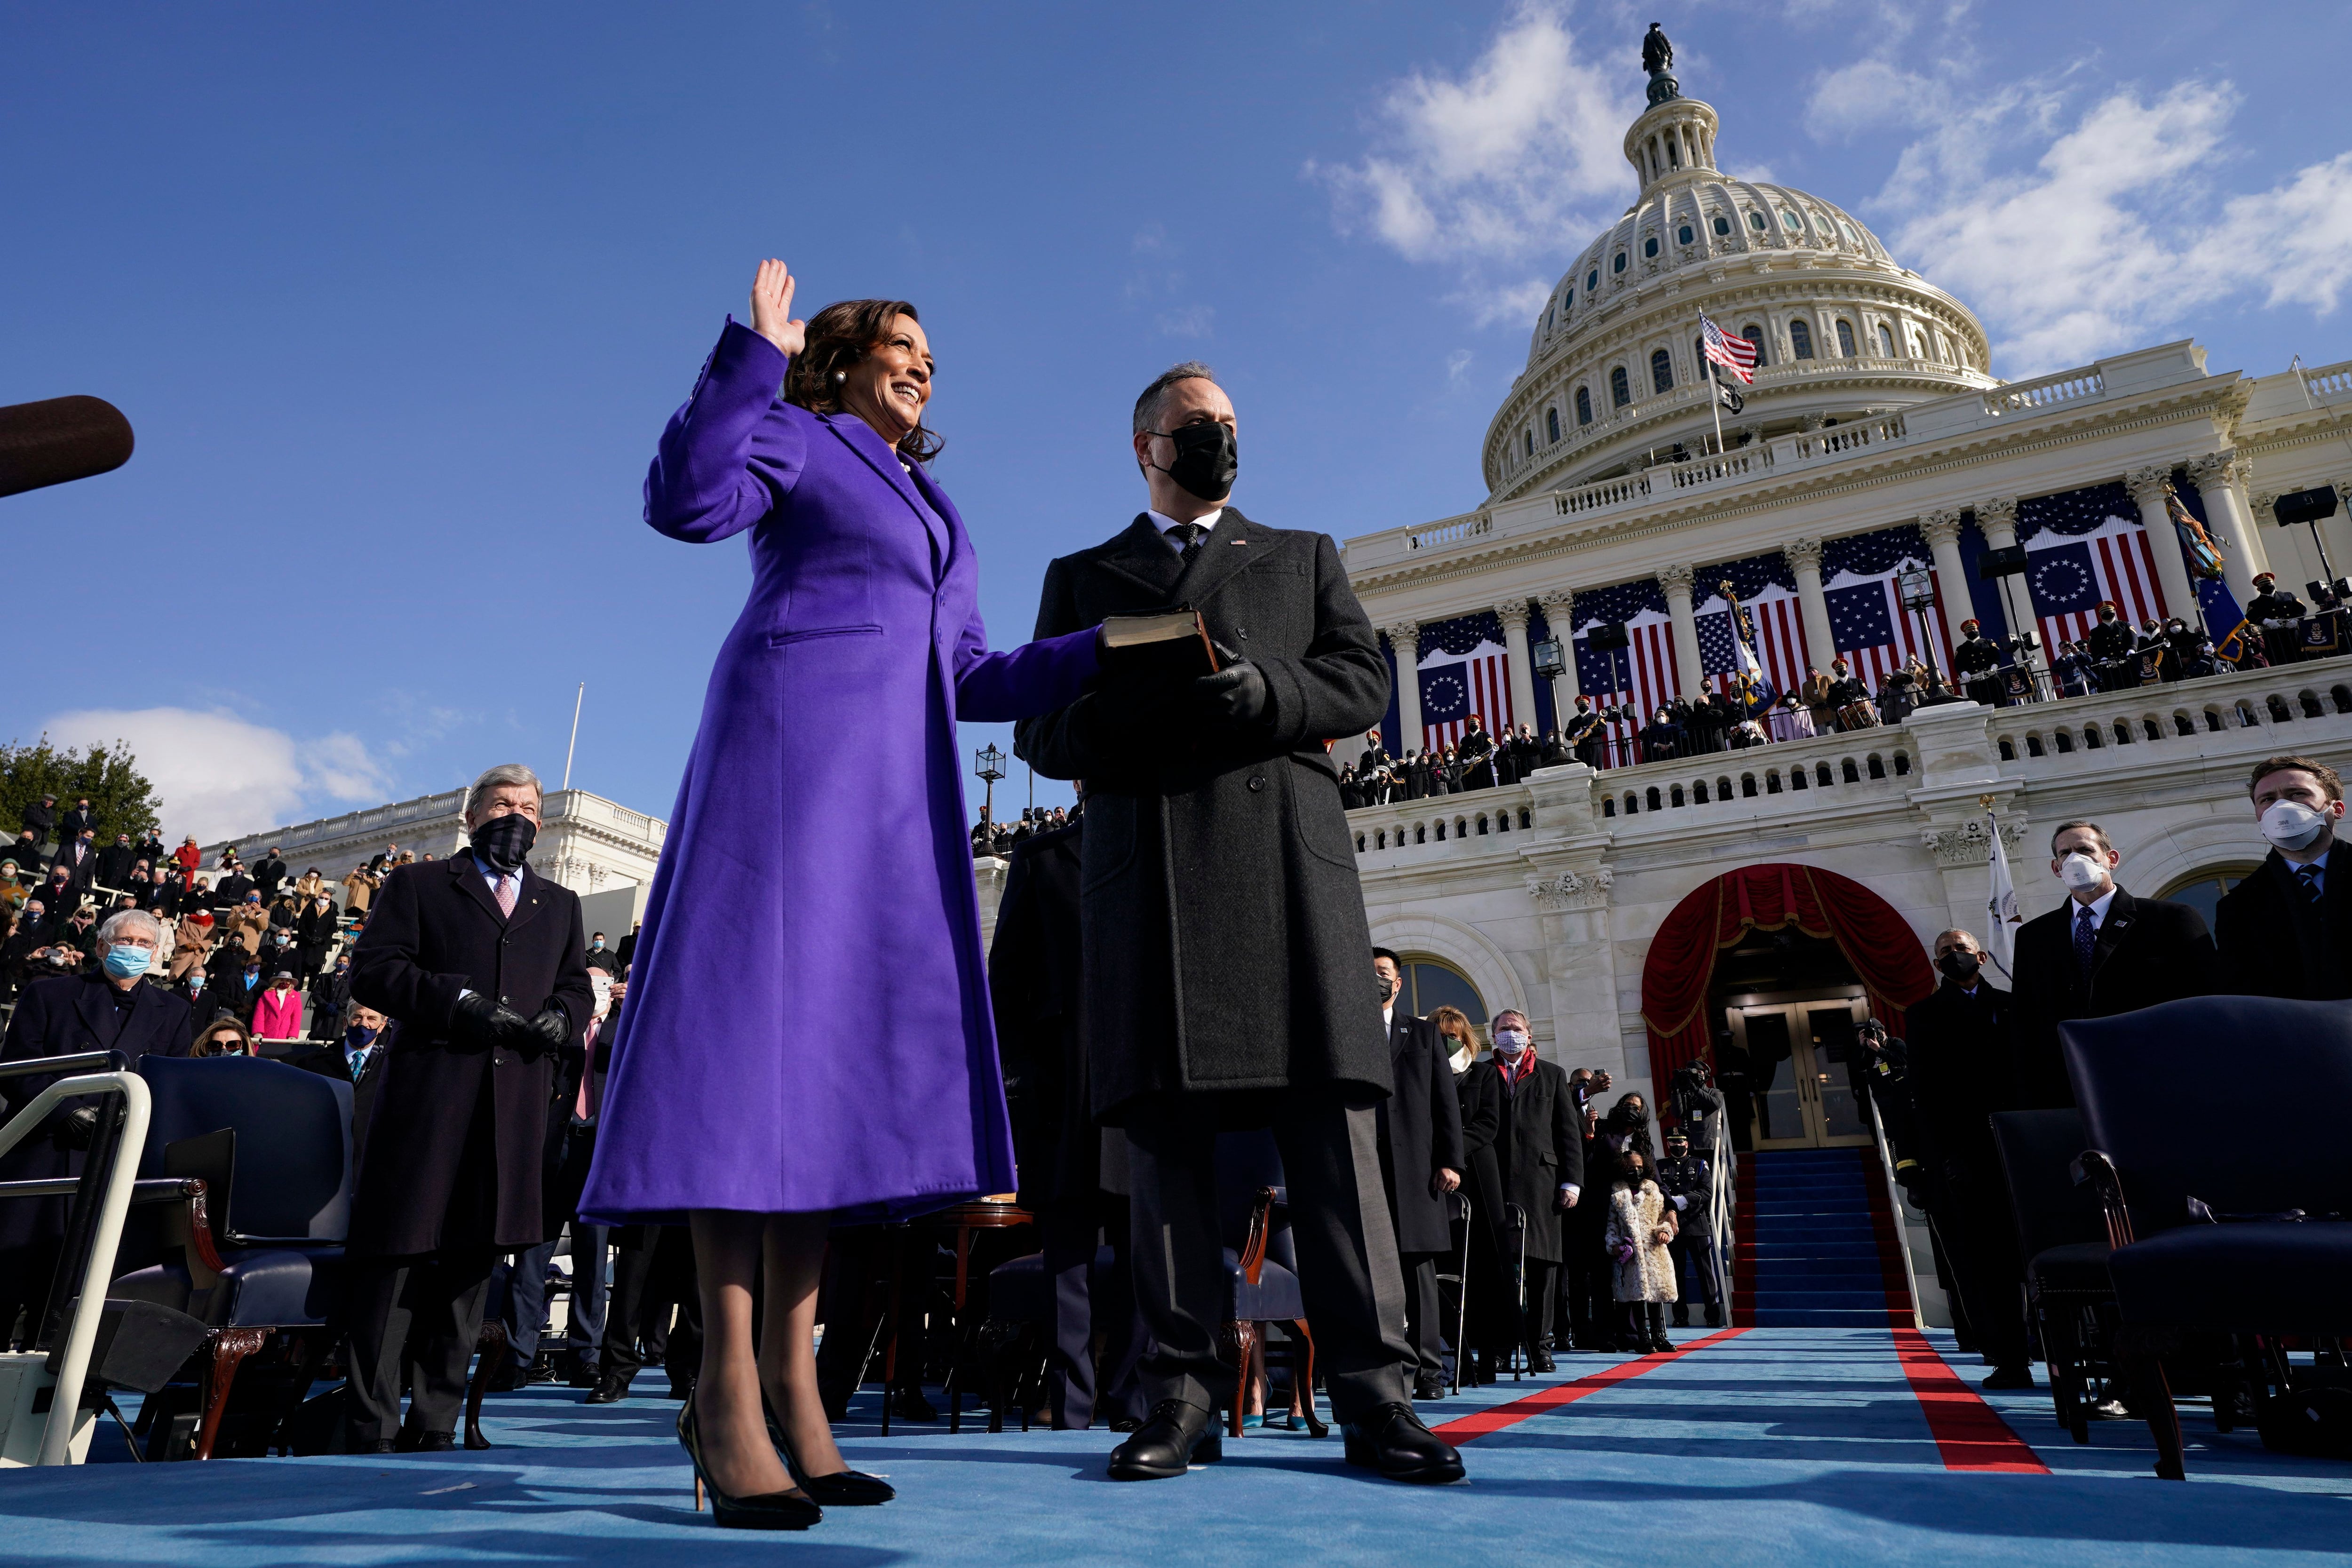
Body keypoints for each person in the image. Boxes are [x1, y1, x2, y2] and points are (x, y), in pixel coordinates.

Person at [578, 264, 1102, 1525]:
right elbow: (684, 501)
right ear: (844, 359)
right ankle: (721, 1392)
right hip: (785, 759)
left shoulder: (942, 511)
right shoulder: (798, 436)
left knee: (818, 1076)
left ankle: (793, 1392)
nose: (922, 365)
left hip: (888, 799)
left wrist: (1115, 654)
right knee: (749, 1060)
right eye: (901, 346)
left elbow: (972, 671)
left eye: (930, 354)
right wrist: (755, 353)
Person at [1015, 358, 1461, 1484]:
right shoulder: (1083, 575)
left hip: (1283, 872)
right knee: (1163, 1151)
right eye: (1191, 425)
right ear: (1142, 445)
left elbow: (1360, 680)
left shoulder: (1302, 555)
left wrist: (1273, 694)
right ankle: (1179, 1395)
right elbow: (1038, 731)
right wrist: (1120, 722)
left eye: (1225, 424)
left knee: (1331, 1142)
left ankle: (1374, 1392)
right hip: (1152, 875)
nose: (1213, 438)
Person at [342, 764, 594, 1455]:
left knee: (467, 1270)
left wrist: (562, 1019)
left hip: (509, 1108)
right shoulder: (420, 884)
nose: (518, 814)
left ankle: (435, 1422)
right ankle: (370, 1422)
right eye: (503, 803)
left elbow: (577, 988)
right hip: (430, 1096)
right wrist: (457, 1002)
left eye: (530, 806)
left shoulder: (561, 902)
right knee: (396, 1262)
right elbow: (374, 969)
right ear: (473, 813)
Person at [991, 809, 1147, 1430]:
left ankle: (1136, 1400)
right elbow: (1006, 983)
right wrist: (1023, 1081)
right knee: (1069, 1266)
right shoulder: (1041, 857)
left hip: (1145, 1091)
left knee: (1146, 1259)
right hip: (1063, 1095)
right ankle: (1070, 1401)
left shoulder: (1160, 847)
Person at [0, 908, 190, 1343]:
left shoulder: (175, 1010)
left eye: (145, 944)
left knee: (70, 1298)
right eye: (126, 941)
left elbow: (171, 1080)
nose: (135, 950)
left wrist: (121, 1117)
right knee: (9, 1278)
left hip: (110, 1163)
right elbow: (16, 1067)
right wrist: (65, 1110)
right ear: (102, 946)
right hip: (40, 1155)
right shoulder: (49, 994)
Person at [2010, 820, 2217, 1109]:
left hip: (2161, 1080)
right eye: (2065, 853)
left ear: (2111, 858)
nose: (2075, 859)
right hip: (2073, 1089)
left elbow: (2207, 1002)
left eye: (2085, 849)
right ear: (2056, 869)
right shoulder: (2033, 937)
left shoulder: (2170, 919)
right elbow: (2026, 1022)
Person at [1458, 1011, 1578, 1376]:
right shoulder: (1479, 1073)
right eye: (1503, 1030)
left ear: (1529, 1034)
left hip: (1541, 1182)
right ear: (1492, 1036)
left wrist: (1572, 1181)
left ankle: (1540, 1346)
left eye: (1517, 1029)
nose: (1511, 1035)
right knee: (1494, 1268)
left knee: (1542, 1266)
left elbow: (1568, 1132)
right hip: (1491, 1180)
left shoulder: (1553, 1074)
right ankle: (1498, 1348)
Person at [1373, 948, 1464, 1401]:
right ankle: (1380, 1366)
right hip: (1366, 1171)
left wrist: (1450, 1161)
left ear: (1398, 982)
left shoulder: (1424, 1033)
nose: (1376, 980)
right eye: (1367, 973)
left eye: (1383, 973)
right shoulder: (1347, 1032)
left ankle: (1429, 1369)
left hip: (1417, 1173)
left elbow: (1445, 1102)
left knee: (1419, 1273)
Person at [2215, 756, 2352, 999]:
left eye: (2296, 794)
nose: (2280, 807)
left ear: (2337, 809)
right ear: (2258, 817)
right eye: (2267, 799)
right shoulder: (2237, 907)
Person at [1604, 1147, 1677, 1353]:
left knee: (1655, 1297)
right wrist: (1615, 1246)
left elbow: (1664, 1218)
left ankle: (1658, 1335)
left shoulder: (1654, 1190)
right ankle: (1642, 1337)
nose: (1635, 1171)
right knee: (1636, 1297)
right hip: (1631, 1256)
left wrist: (1664, 1231)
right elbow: (1612, 1225)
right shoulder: (1617, 1193)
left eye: (1639, 1167)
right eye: (1630, 1167)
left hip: (1654, 1252)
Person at [1655, 1129, 1718, 1328]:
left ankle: (1713, 1316)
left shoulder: (1699, 1165)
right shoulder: (1660, 1166)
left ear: (1687, 1144)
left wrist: (1683, 1201)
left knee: (1705, 1273)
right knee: (1676, 1273)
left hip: (1696, 1225)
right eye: (1672, 1143)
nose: (1676, 1146)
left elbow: (1707, 1191)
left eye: (1680, 1142)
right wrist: (1670, 1204)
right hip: (1671, 1228)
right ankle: (1680, 1316)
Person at [252, 969, 304, 1042]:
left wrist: (293, 1035)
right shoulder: (267, 995)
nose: (285, 983)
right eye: (282, 980)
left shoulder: (296, 997)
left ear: (291, 983)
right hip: (266, 1034)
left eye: (287, 981)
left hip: (284, 1036)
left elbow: (296, 1018)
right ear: (277, 981)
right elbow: (259, 1015)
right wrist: (258, 1032)